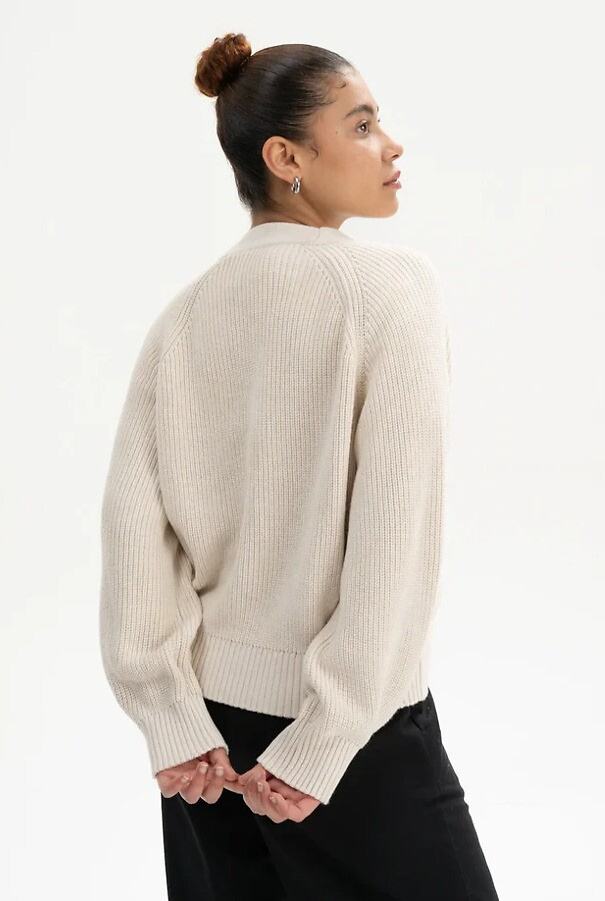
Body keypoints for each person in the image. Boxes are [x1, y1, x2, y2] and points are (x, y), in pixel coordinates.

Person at [99, 31, 500, 901]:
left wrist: (171, 717)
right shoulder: (390, 291)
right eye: (360, 124)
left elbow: (135, 530)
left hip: (207, 744)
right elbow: (394, 536)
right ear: (285, 157)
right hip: (346, 740)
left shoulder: (183, 316)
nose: (390, 145)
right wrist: (328, 734)